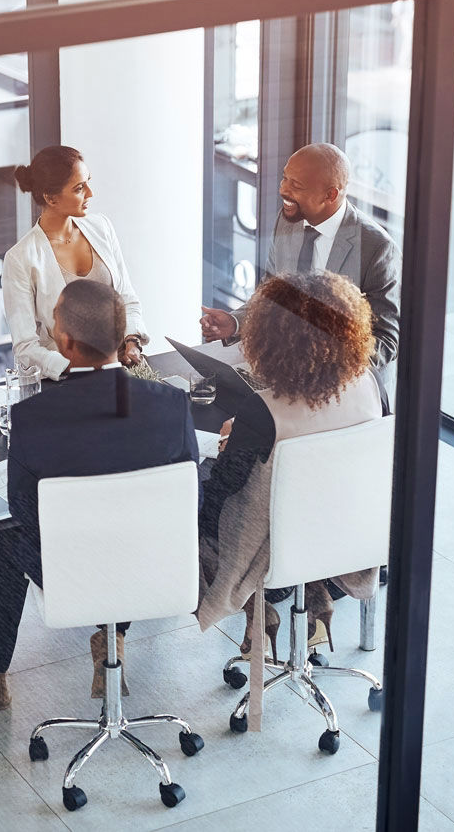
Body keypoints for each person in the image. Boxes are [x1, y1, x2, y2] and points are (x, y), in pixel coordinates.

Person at [0, 279, 198, 709]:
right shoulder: (171, 404)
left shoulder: (34, 417)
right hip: (154, 568)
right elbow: (188, 501)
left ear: (64, 342)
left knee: (11, 537)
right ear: (122, 337)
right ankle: (113, 633)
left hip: (71, 577)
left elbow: (23, 512)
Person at [196, 271, 383, 656]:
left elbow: (221, 494)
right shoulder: (371, 382)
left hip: (276, 551)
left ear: (271, 343)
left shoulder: (264, 411)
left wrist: (228, 444)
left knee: (198, 492)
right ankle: (315, 594)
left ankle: (258, 610)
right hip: (349, 534)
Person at [200, 142, 401, 411]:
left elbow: (386, 340)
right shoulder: (287, 222)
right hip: (286, 380)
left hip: (346, 395)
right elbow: (271, 295)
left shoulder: (377, 248)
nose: (283, 189)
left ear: (330, 194)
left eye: (296, 185)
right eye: (285, 178)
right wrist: (235, 323)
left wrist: (321, 371)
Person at [2, 145, 149, 381]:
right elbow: (25, 347)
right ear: (50, 197)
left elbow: (127, 299)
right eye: (79, 188)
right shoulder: (20, 258)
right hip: (67, 380)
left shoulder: (101, 227)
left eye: (88, 182)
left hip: (121, 370)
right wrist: (81, 366)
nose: (90, 193)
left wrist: (132, 341)